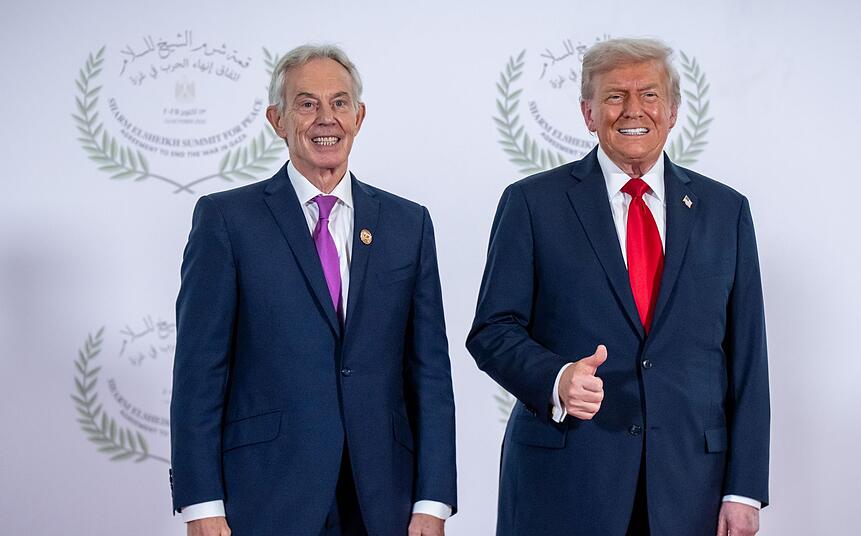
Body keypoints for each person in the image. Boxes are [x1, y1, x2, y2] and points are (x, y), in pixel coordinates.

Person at [467, 37, 769, 536]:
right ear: (588, 113)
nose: (633, 110)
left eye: (649, 95)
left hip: (690, 488)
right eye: (614, 96)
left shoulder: (726, 212)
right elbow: (493, 330)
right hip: (565, 484)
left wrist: (744, 489)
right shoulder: (532, 204)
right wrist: (557, 378)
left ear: (673, 112)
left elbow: (748, 359)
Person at [170, 44, 457, 536]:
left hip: (382, 499)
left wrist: (433, 501)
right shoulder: (226, 220)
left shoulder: (408, 224)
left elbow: (429, 372)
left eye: (340, 103)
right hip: (265, 496)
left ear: (359, 117)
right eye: (307, 104)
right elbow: (200, 372)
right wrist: (201, 505)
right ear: (277, 120)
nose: (327, 118)